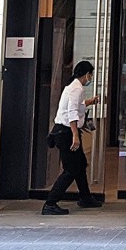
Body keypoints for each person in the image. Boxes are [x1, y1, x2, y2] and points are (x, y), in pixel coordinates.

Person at [42, 61, 101, 215]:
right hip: (66, 132)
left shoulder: (74, 86)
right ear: (87, 74)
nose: (91, 78)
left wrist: (90, 102)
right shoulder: (76, 88)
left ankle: (85, 197)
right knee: (71, 169)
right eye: (91, 74)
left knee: (80, 165)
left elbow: (78, 105)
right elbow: (72, 112)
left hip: (64, 131)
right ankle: (51, 203)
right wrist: (75, 135)